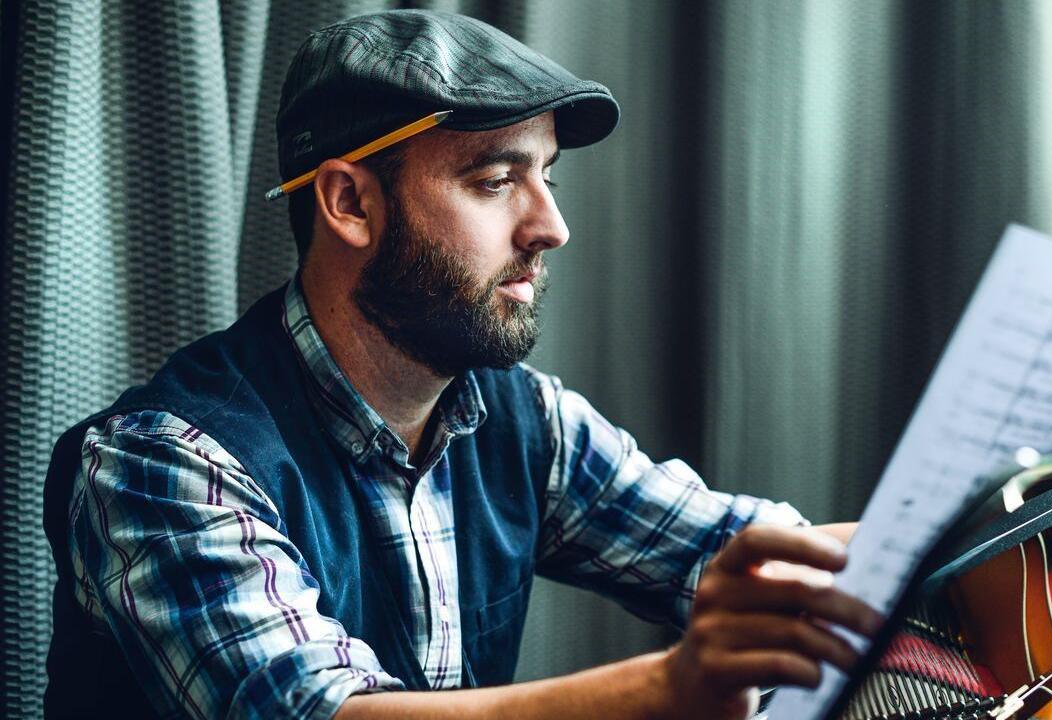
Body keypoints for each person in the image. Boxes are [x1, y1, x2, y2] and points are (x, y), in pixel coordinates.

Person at [42, 9, 877, 720]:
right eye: (495, 180)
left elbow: (749, 554)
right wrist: (668, 689)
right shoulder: (162, 461)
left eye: (546, 177)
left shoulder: (520, 421)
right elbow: (323, 711)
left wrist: (982, 537)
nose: (550, 227)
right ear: (350, 203)